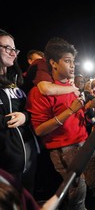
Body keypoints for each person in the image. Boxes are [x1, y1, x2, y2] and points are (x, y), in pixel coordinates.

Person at [26, 37, 95, 210]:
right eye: (67, 61)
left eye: (74, 61)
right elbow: (39, 130)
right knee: (77, 199)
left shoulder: (73, 87)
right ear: (53, 63)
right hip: (64, 150)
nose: (73, 65)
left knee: (94, 188)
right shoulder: (40, 92)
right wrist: (70, 111)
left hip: (85, 144)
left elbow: (79, 116)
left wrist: (89, 115)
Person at [0, 29, 39, 195]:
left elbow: (31, 111)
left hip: (28, 160)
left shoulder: (17, 82)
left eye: (14, 49)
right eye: (7, 48)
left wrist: (25, 116)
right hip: (6, 164)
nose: (13, 53)